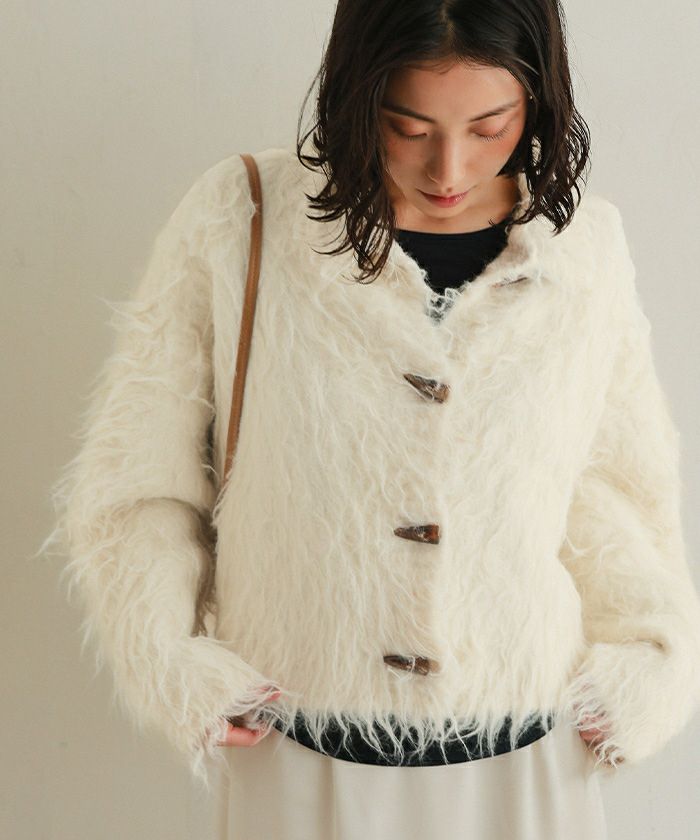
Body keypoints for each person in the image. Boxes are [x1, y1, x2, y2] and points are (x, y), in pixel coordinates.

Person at [40, 0, 700, 838]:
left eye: (490, 126)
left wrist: (648, 661)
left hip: (528, 754)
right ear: (359, 93)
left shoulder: (584, 249)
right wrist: (168, 658)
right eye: (407, 126)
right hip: (300, 744)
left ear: (538, 100)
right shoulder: (245, 216)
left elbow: (616, 487)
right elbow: (142, 473)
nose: (449, 166)